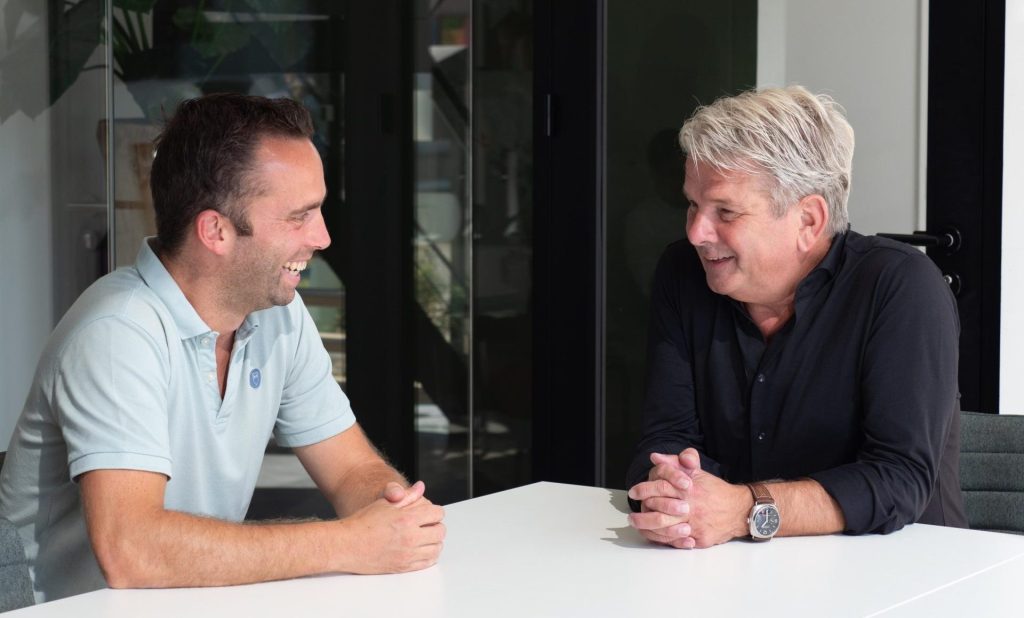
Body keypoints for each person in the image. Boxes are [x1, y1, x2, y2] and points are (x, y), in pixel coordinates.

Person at [0, 94, 445, 602]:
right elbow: (132, 551)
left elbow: (350, 468)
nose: (322, 237)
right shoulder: (117, 333)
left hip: (189, 599)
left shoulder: (278, 315)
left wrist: (391, 511)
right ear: (216, 231)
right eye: (299, 216)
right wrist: (347, 543)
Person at [625, 86, 967, 549]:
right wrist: (674, 489)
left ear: (808, 220)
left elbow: (898, 479)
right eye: (692, 204)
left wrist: (744, 509)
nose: (696, 233)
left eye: (724, 211)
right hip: (734, 568)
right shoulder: (683, 275)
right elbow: (666, 436)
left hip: (905, 569)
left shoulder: (901, 287)